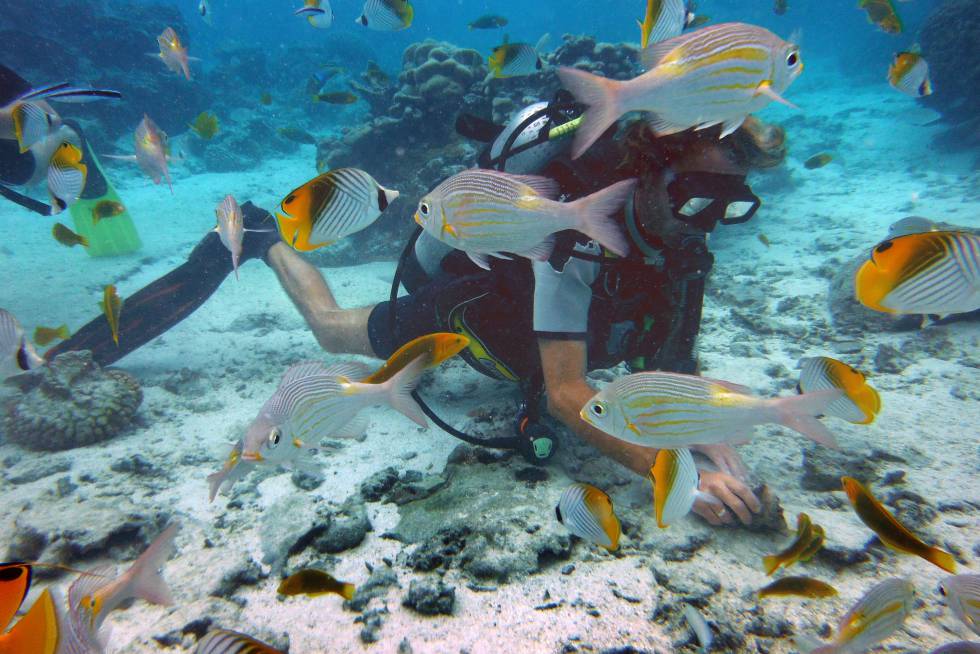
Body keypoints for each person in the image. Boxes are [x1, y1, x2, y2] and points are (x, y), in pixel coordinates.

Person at [40, 98, 787, 527]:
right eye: (699, 195)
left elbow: (674, 369)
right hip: (474, 316)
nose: (709, 219)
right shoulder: (572, 237)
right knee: (334, 330)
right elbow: (565, 395)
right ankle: (265, 238)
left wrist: (720, 444)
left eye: (733, 204)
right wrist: (671, 470)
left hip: (551, 347)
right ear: (651, 174)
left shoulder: (684, 244)